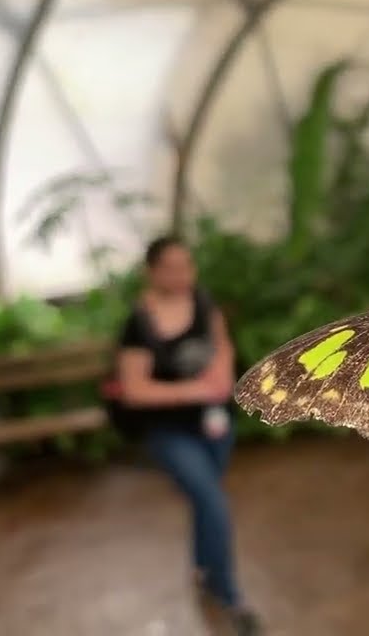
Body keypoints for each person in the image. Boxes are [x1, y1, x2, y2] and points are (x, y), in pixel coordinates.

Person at [110, 235, 261, 635]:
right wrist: (192, 390)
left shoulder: (203, 302)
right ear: (152, 271)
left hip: (214, 422)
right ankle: (230, 595)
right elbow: (134, 390)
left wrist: (223, 377)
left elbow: (222, 345)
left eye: (187, 266)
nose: (182, 276)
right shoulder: (138, 324)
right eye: (172, 268)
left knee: (204, 498)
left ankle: (201, 568)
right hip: (169, 431)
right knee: (213, 502)